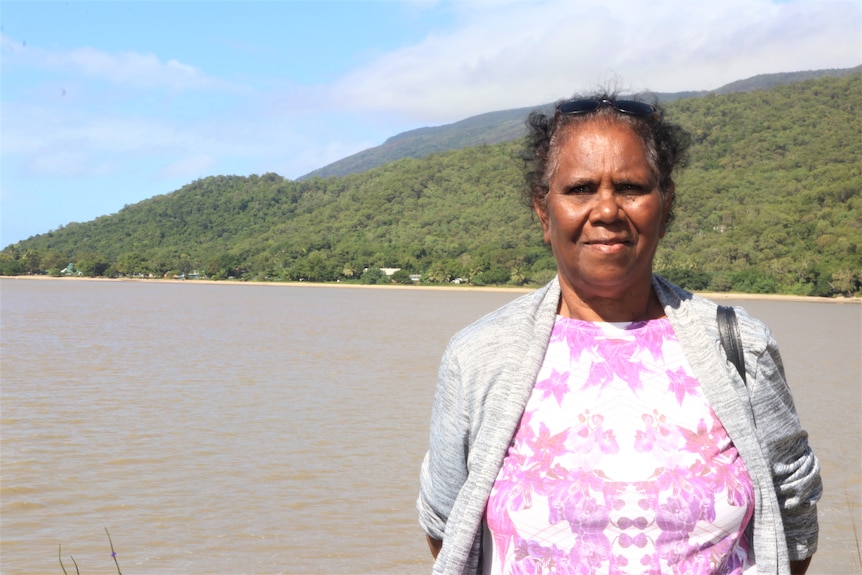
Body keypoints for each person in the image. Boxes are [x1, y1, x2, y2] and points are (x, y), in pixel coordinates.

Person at [417, 94, 821, 575]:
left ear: (665, 205)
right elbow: (446, 526)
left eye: (630, 187)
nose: (607, 210)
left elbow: (794, 517)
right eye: (581, 188)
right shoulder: (479, 357)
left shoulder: (741, 347)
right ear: (543, 211)